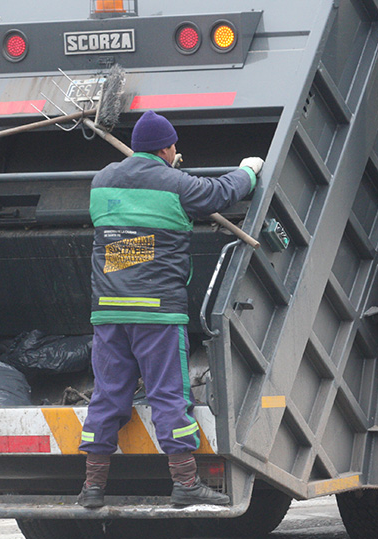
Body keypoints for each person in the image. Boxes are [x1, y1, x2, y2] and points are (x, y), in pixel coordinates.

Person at [78, 110, 264, 508]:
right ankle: (185, 482)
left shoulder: (101, 181)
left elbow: (125, 244)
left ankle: (92, 487)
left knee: (107, 396)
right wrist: (248, 171)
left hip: (109, 311)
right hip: (156, 313)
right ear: (166, 148)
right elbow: (220, 193)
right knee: (167, 396)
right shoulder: (176, 184)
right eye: (174, 146)